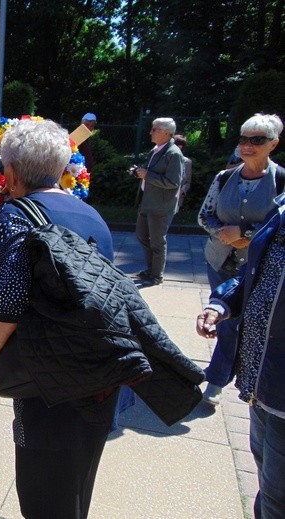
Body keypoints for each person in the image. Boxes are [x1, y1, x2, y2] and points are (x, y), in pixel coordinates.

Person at [0, 119, 118, 519]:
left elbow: (7, 302)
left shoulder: (18, 214)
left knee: (44, 497)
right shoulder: (91, 214)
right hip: (99, 375)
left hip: (49, 384)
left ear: (9, 174)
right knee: (76, 488)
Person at [196, 190, 285, 519]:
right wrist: (222, 303)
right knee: (267, 481)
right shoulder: (282, 207)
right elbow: (257, 273)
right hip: (261, 381)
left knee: (277, 497)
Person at [198, 113, 284, 406]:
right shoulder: (224, 178)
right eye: (244, 139)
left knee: (253, 324)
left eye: (257, 140)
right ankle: (218, 379)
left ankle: (247, 378)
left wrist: (246, 233)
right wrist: (223, 232)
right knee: (226, 323)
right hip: (220, 261)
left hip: (259, 268)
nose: (248, 146)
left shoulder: (281, 180)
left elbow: (281, 227)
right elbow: (204, 215)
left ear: (273, 144)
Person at [132, 117, 184, 286]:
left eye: (154, 129)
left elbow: (173, 182)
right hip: (146, 203)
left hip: (161, 206)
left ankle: (156, 275)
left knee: (157, 241)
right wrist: (139, 172)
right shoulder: (156, 150)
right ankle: (150, 270)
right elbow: (149, 172)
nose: (150, 132)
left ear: (166, 132)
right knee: (141, 236)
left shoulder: (174, 153)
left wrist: (147, 175)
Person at [173, 134, 192, 209]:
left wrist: (182, 191)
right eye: (177, 145)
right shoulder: (164, 159)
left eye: (181, 145)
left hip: (177, 198)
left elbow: (187, 182)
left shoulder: (187, 162)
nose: (179, 147)